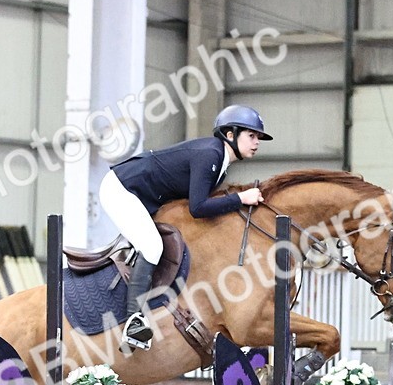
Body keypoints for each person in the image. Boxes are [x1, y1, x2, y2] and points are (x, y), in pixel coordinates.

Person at [99, 104, 271, 349]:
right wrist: (240, 198)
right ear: (230, 135)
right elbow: (198, 208)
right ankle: (133, 322)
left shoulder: (220, 163)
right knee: (151, 246)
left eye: (258, 138)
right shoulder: (210, 155)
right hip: (122, 189)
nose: (257, 142)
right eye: (251, 135)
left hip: (142, 195)